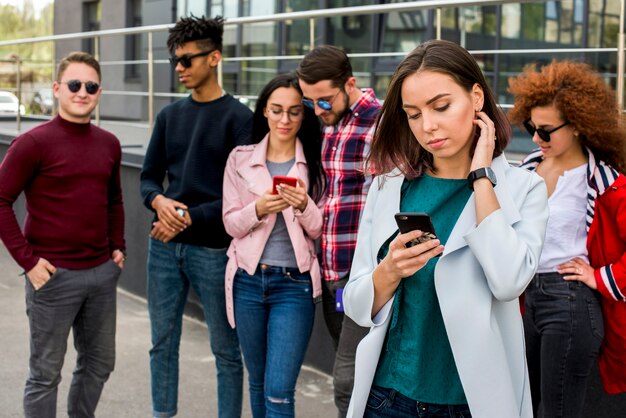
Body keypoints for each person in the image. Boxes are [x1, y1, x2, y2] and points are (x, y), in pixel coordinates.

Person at [343, 39, 549, 418]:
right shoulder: (390, 186)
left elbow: (508, 282)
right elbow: (356, 304)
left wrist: (482, 178)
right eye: (413, 114)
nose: (428, 126)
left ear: (475, 98)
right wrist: (388, 271)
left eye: (440, 106)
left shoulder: (524, 189)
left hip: (472, 403)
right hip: (387, 397)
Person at [0, 51, 125, 417]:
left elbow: (114, 200)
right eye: (74, 84)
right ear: (57, 89)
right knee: (45, 375)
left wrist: (118, 247)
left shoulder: (109, 144)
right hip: (52, 278)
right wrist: (28, 262)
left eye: (90, 86)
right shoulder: (33, 143)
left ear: (99, 91)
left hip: (101, 274)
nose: (81, 92)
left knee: (100, 363)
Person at [139, 15, 251, 418]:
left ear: (215, 57)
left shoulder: (240, 119)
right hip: (165, 249)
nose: (180, 68)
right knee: (161, 344)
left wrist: (184, 216)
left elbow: (243, 197)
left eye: (187, 59)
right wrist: (158, 203)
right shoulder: (169, 116)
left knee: (225, 351)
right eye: (175, 61)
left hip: (214, 250)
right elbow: (149, 178)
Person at [509, 60, 626, 416]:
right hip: (523, 299)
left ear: (576, 125)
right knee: (515, 406)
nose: (535, 138)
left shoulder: (605, 183)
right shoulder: (527, 166)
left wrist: (599, 276)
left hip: (570, 302)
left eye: (546, 131)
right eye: (531, 127)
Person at [222, 73, 325, 418]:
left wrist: (302, 203)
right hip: (248, 281)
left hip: (294, 285)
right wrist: (259, 208)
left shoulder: (316, 160)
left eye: (294, 112)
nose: (285, 120)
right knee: (258, 382)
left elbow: (318, 228)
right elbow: (231, 224)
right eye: (277, 110)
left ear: (303, 115)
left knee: (279, 392)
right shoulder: (240, 158)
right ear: (264, 111)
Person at [296, 45, 381, 417]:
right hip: (331, 272)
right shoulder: (333, 121)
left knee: (348, 381)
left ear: (350, 83)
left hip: (361, 273)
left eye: (325, 101)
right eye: (310, 101)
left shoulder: (380, 124)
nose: (317, 111)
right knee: (355, 375)